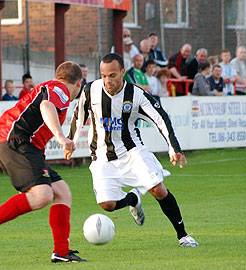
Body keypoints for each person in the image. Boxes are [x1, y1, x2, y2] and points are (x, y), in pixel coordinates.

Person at [65, 53, 198, 248]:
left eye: (112, 75)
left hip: (132, 153)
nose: (107, 80)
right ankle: (133, 199)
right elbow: (79, 115)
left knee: (158, 189)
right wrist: (71, 141)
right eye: (103, 75)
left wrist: (173, 148)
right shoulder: (90, 90)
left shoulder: (136, 95)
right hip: (102, 158)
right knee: (107, 205)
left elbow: (161, 118)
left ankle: (183, 235)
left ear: (122, 72)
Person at [0, 61, 87, 263]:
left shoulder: (52, 87)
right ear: (77, 83)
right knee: (42, 195)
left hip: (24, 145)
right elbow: (46, 105)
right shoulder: (60, 90)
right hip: (15, 141)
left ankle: (61, 251)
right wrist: (60, 137)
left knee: (62, 192)